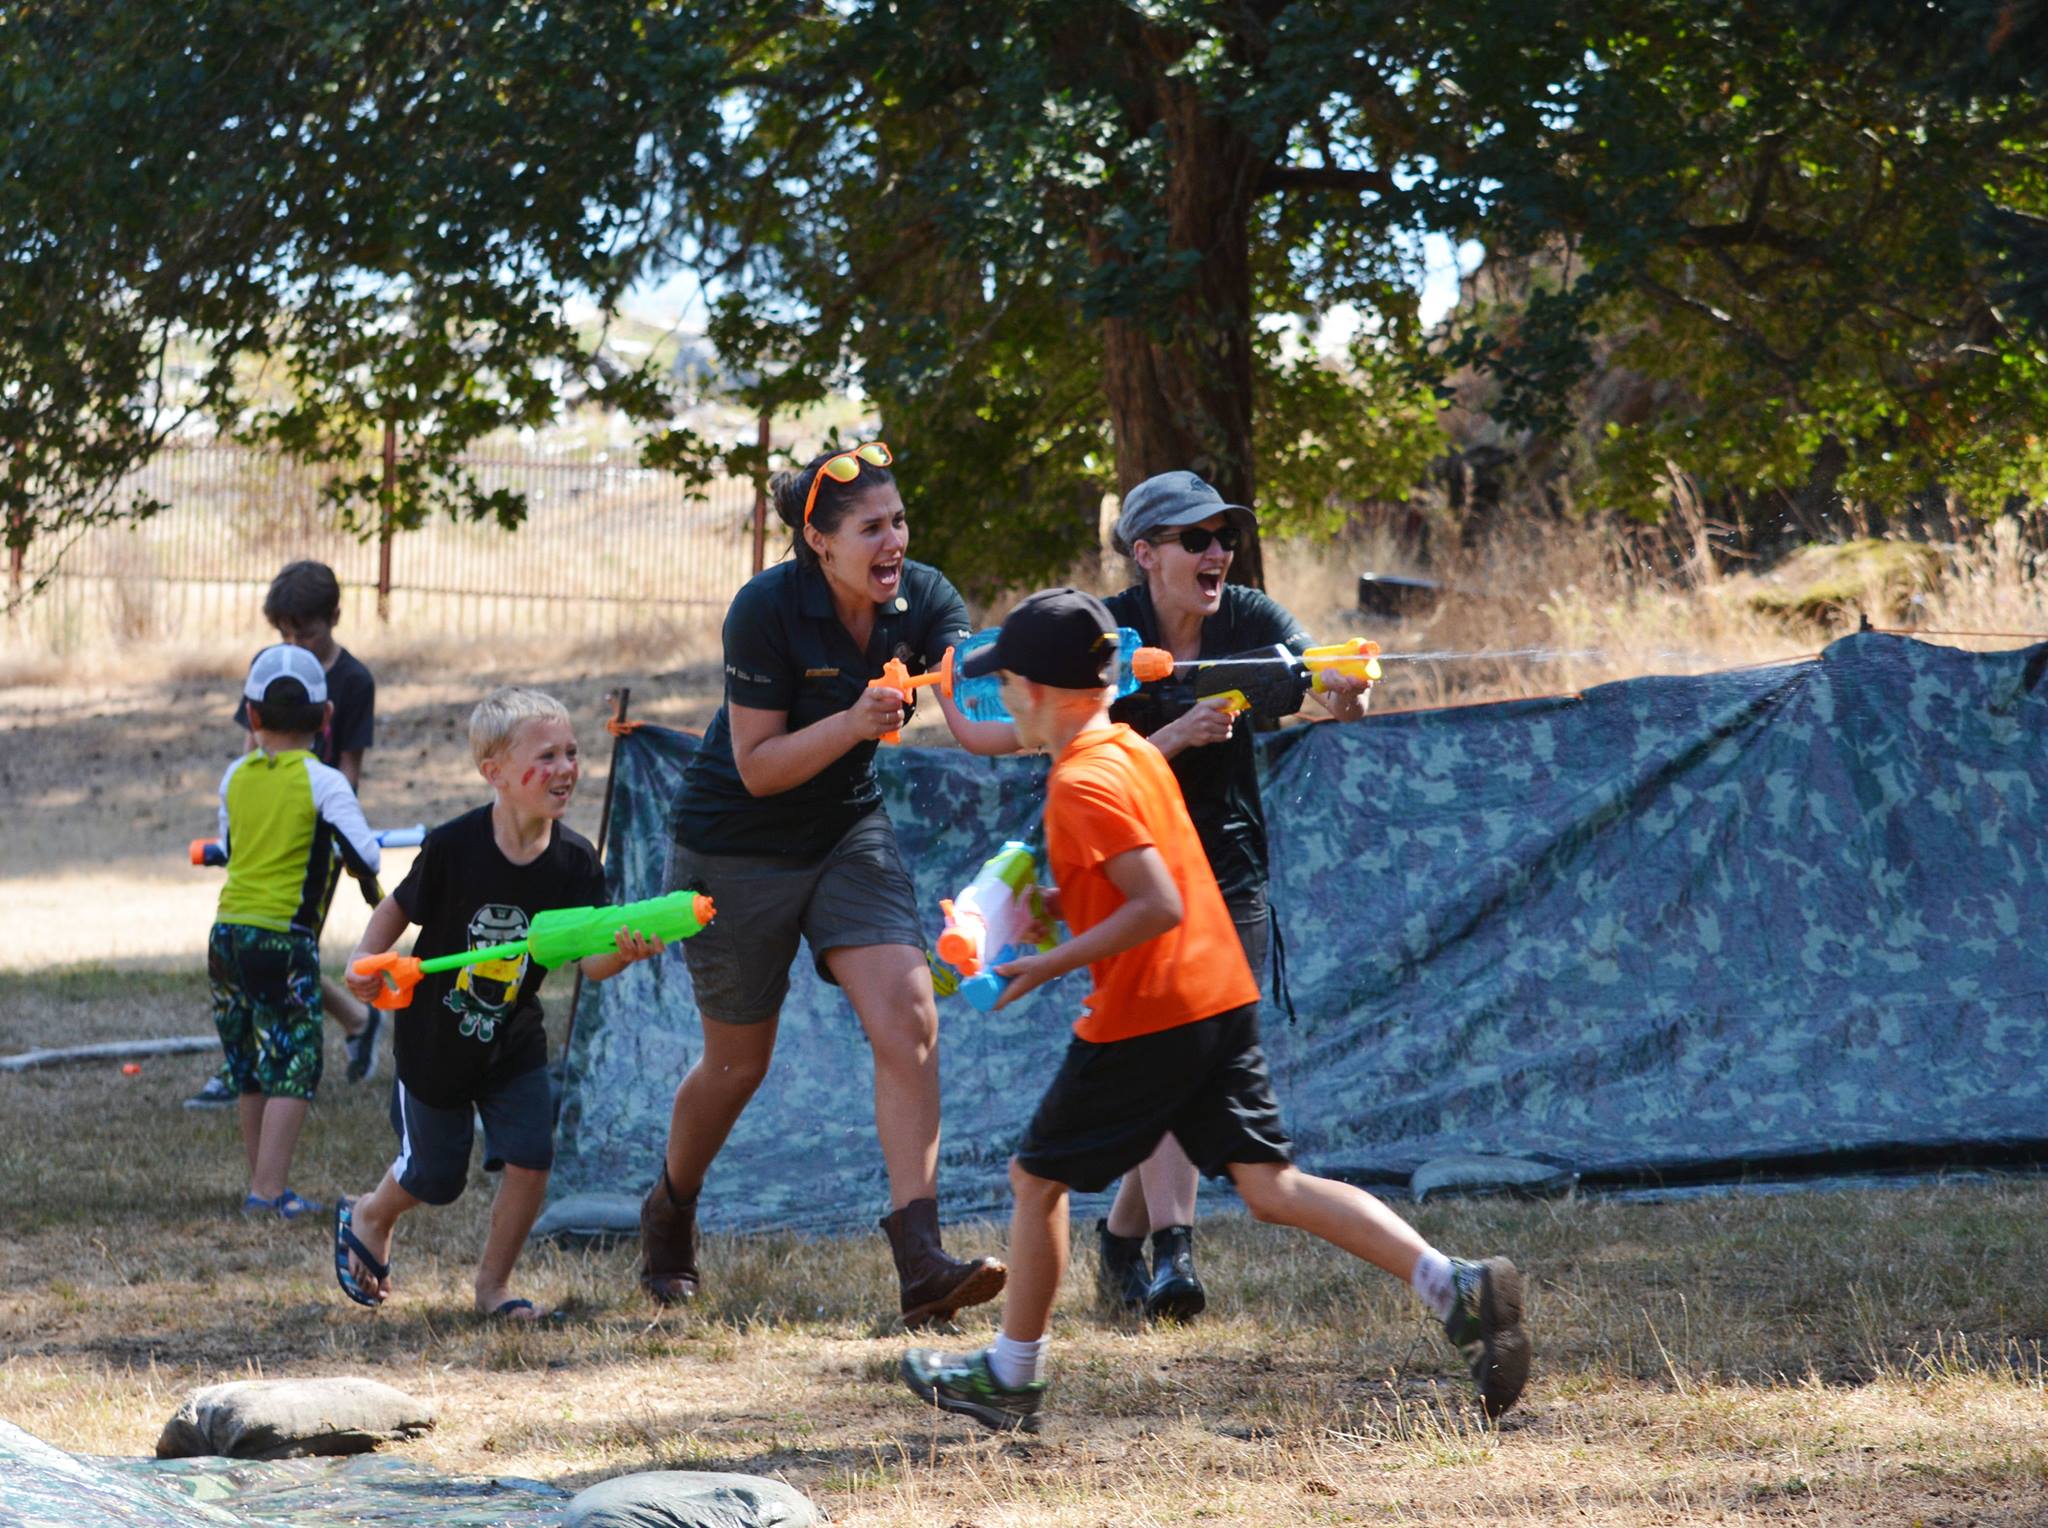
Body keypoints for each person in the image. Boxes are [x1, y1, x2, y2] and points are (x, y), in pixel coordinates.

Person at [899, 588, 1530, 1432]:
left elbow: (1154, 903)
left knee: (1036, 1179)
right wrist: (1040, 908)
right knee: (1271, 1185)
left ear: (1040, 692)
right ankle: (1454, 1285)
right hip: (1215, 993)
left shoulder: (1082, 781)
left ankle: (1011, 1375)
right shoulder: (1128, 750)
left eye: (1006, 683)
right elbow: (1127, 879)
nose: (1002, 698)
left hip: (1147, 1013)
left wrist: (1043, 964)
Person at [638, 441, 1006, 1328]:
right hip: (734, 846)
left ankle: (921, 1260)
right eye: (871, 528)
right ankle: (671, 1207)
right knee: (738, 1065)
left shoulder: (926, 598)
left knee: (910, 1016)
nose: (894, 542)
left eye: (899, 522)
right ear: (820, 542)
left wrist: (1074, 718)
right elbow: (757, 766)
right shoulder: (765, 608)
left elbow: (973, 721)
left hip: (846, 834)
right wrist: (851, 723)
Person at [1093, 471, 1370, 1321]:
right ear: (1147, 554)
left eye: (1224, 537)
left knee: (1199, 1066)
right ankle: (1173, 1255)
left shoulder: (1250, 617)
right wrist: (1175, 734)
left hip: (1232, 866)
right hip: (1135, 870)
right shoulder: (1103, 633)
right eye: (1196, 539)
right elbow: (1077, 763)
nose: (1217, 552)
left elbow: (1325, 691)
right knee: (1171, 1060)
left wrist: (1347, 688)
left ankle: (1118, 1240)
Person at [335, 687, 662, 1321]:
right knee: (435, 1177)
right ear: (496, 773)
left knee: (532, 1157)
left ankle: (493, 1286)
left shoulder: (575, 863)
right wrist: (363, 959)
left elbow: (591, 961)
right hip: (435, 1039)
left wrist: (624, 952)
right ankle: (370, 1213)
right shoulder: (455, 846)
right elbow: (398, 906)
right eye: (547, 756)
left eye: (572, 753)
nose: (566, 768)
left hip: (512, 1037)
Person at [189, 561, 383, 1109]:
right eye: (285, 634)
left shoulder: (354, 681)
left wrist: (335, 825)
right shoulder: (269, 667)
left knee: (287, 945)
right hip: (266, 830)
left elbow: (349, 767)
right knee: (268, 944)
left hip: (316, 838)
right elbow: (251, 751)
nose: (294, 645)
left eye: (306, 633)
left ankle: (267, 1061)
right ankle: (348, 1023)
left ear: (335, 617)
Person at [209, 644, 382, 1221]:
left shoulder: (235, 776)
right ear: (326, 717)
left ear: (252, 715)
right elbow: (367, 856)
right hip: (282, 940)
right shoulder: (324, 782)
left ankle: (262, 1182)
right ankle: (268, 1193)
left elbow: (228, 847)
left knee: (250, 1063)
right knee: (295, 1062)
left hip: (226, 936)